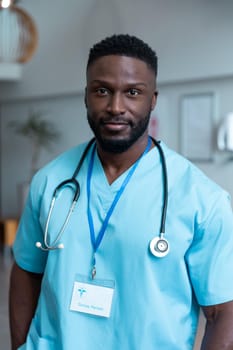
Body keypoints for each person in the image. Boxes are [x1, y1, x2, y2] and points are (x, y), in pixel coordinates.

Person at [9, 34, 233, 350]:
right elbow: (27, 270)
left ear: (152, 99)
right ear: (86, 96)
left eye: (132, 93)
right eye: (102, 91)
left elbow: (223, 312)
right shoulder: (50, 183)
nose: (116, 107)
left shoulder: (202, 200)